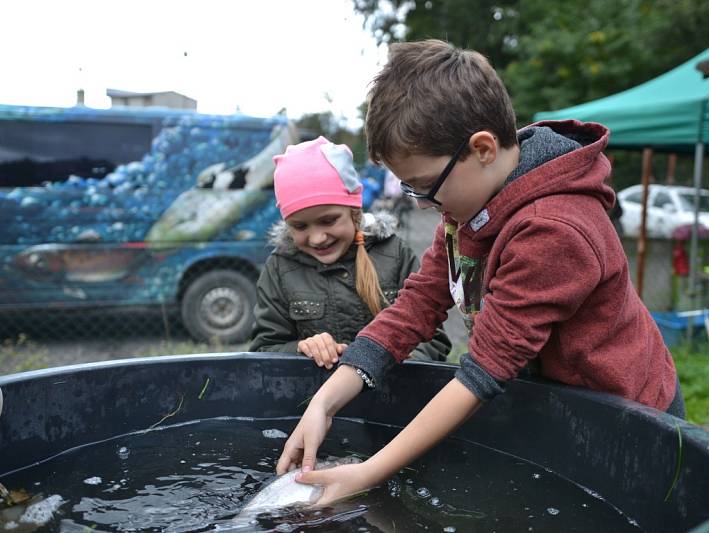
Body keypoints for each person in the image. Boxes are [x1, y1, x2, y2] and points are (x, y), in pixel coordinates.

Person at [276, 40, 684, 504]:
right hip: (554, 400)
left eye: (426, 187)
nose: (426, 203)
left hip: (627, 421)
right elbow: (416, 307)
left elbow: (484, 372)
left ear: (483, 148)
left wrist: (369, 471)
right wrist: (324, 402)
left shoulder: (554, 231)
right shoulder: (470, 208)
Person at [248, 136, 450, 367]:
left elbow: (432, 340)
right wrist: (301, 348)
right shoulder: (280, 268)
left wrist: (400, 361)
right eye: (300, 226)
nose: (317, 238)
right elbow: (264, 348)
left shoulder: (394, 254)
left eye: (329, 221)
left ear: (354, 212)